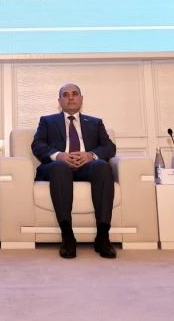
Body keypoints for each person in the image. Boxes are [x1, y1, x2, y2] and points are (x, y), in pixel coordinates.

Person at [31, 83, 117, 259]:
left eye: (74, 94)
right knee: (59, 167)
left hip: (87, 166)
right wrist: (59, 155)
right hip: (58, 167)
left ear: (81, 99)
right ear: (59, 101)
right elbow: (37, 145)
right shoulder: (47, 121)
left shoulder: (95, 122)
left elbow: (109, 147)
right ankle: (67, 236)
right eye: (65, 94)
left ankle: (102, 236)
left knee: (102, 166)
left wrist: (91, 155)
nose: (70, 97)